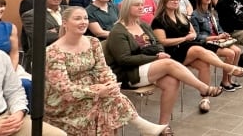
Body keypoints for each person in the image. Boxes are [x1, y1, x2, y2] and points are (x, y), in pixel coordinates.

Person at [104, 0, 224, 133]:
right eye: (137, 5)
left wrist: (158, 53)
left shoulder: (142, 24)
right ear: (126, 8)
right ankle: (203, 88)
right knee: (168, 63)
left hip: (148, 66)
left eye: (142, 4)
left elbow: (159, 44)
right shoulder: (118, 31)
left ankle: (163, 125)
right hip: (129, 73)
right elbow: (124, 60)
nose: (141, 7)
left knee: (172, 81)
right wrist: (155, 57)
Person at [44, 7, 166, 136]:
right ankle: (141, 125)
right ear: (64, 23)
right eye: (77, 18)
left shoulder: (93, 42)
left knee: (110, 96)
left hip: (97, 88)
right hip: (65, 100)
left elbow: (103, 68)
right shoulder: (53, 52)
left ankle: (142, 125)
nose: (83, 22)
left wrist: (110, 83)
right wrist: (96, 91)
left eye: (85, 18)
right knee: (108, 100)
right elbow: (64, 89)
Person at [152, 0, 243, 114]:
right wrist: (184, 38)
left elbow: (193, 33)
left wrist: (189, 37)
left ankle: (205, 99)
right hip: (172, 52)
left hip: (187, 48)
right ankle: (227, 67)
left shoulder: (182, 16)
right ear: (164, 2)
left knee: (204, 64)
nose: (175, 2)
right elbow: (162, 41)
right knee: (197, 49)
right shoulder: (158, 20)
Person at [186, 0, 243, 87]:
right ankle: (224, 81)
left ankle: (230, 79)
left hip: (218, 40)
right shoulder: (195, 15)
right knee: (230, 53)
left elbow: (219, 28)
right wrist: (216, 37)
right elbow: (197, 36)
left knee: (237, 51)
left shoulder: (212, 12)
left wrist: (223, 34)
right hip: (206, 42)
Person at [21, 0, 68, 72]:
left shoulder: (69, 10)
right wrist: (66, 30)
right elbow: (41, 37)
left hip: (69, 54)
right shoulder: (32, 15)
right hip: (43, 57)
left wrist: (56, 30)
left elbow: (80, 30)